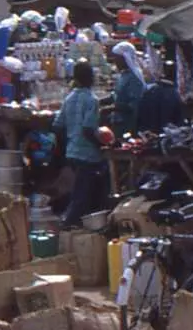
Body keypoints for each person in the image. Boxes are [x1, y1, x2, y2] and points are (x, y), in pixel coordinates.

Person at [58, 63, 107, 228]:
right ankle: (67, 225)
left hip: (72, 152)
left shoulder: (69, 98)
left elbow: (58, 124)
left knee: (82, 190)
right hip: (87, 155)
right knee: (82, 195)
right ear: (91, 78)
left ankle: (79, 225)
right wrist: (100, 145)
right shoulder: (92, 100)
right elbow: (87, 129)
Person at [135, 62, 185, 134]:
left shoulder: (148, 92)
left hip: (149, 136)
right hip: (169, 136)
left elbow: (139, 116)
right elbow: (179, 120)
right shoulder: (174, 94)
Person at [110, 42, 146, 134]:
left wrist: (111, 108)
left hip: (127, 123)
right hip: (117, 120)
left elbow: (133, 105)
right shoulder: (123, 75)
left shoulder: (134, 78)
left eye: (117, 58)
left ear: (126, 59)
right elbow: (117, 94)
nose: (115, 61)